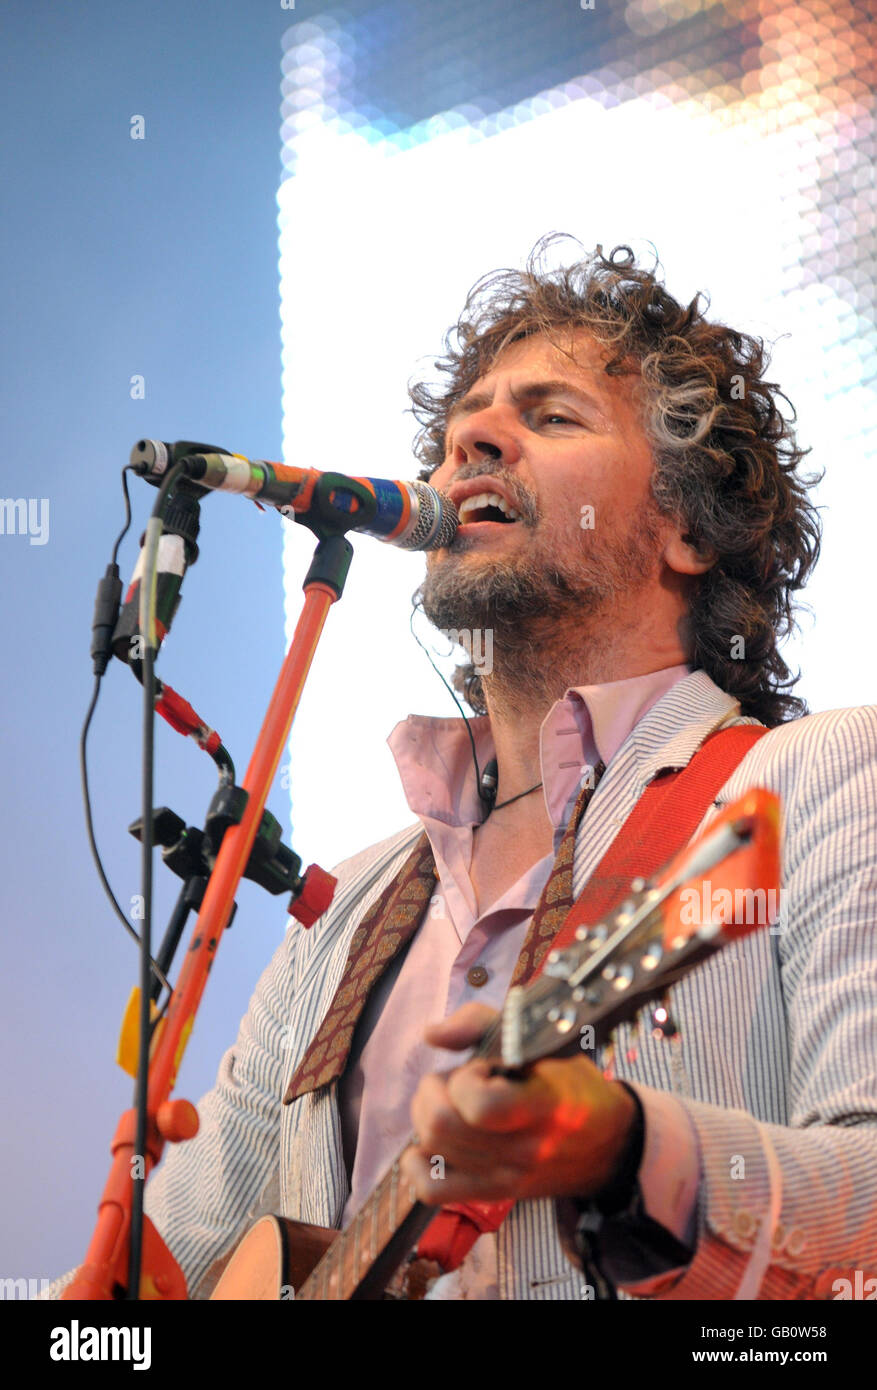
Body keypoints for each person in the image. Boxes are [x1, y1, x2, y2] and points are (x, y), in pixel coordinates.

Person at [50, 236, 877, 1300]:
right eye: (461, 427)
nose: (471, 439)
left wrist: (626, 1150)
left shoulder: (819, 782)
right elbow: (184, 1268)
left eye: (550, 415)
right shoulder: (341, 911)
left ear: (686, 527)